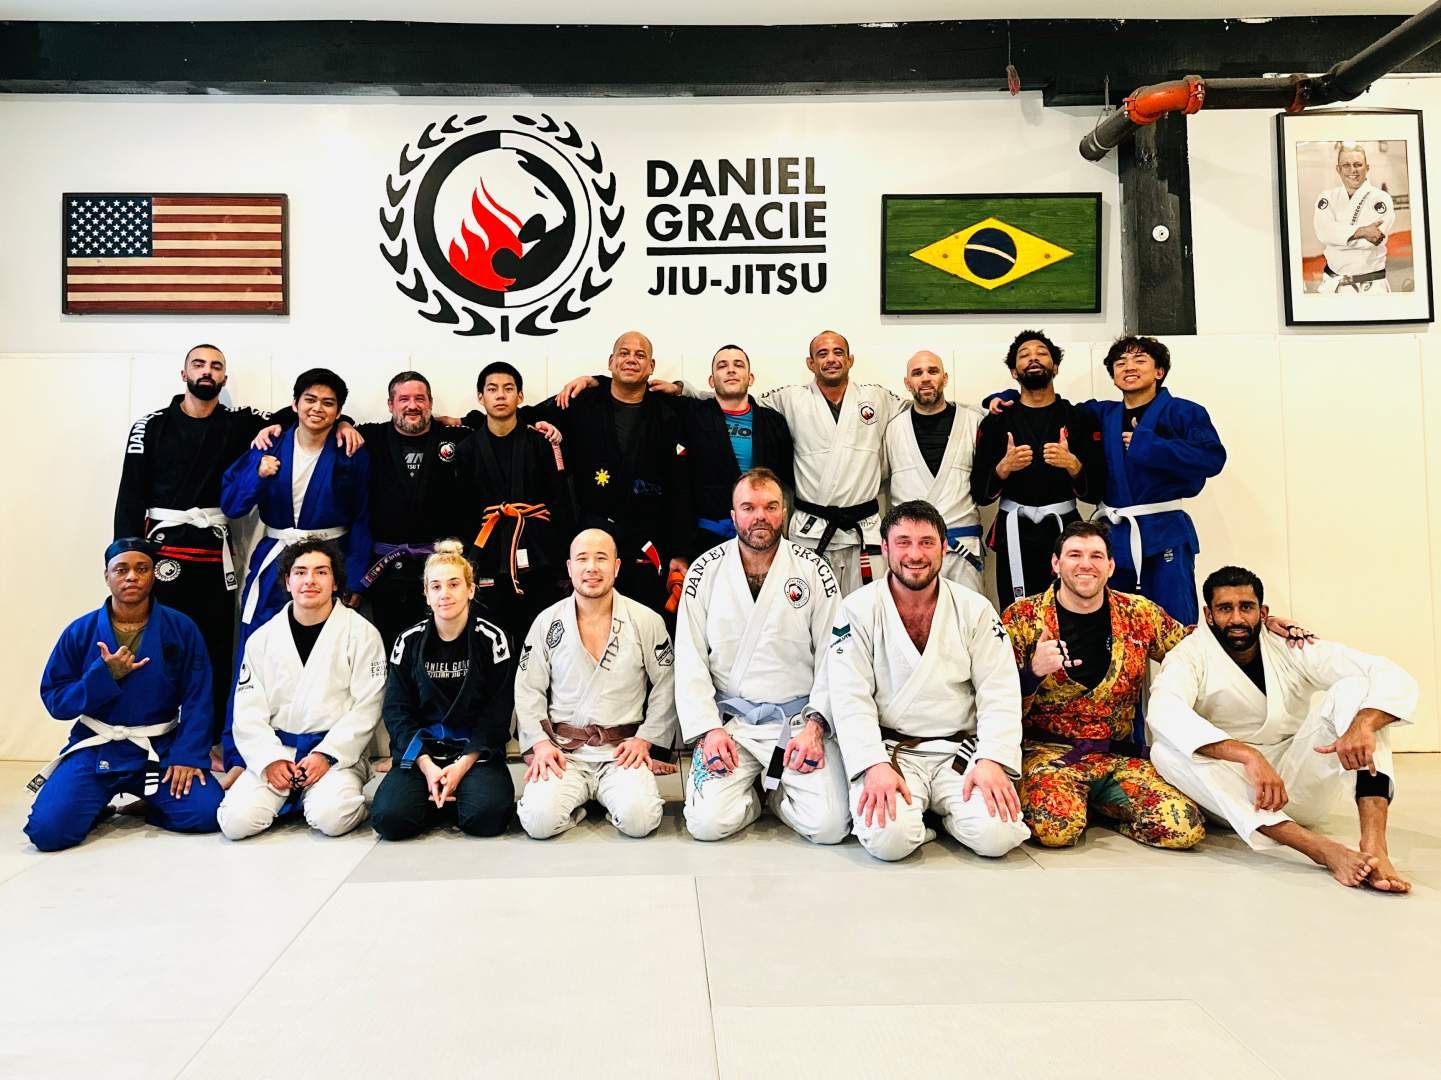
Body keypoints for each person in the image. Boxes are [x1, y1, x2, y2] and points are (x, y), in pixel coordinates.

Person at [114, 343, 360, 722]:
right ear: (184, 374)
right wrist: (126, 556)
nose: (207, 372)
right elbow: (130, 494)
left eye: (215, 367)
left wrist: (345, 423)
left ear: (224, 378)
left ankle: (213, 732)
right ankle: (149, 723)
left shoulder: (240, 423)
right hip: (162, 548)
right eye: (199, 365)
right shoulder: (151, 425)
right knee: (160, 638)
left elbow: (301, 415)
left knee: (216, 645)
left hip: (213, 550)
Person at [1148, 566, 1416, 892]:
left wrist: (1364, 724)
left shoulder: (1291, 645)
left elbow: (1385, 672)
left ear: (1262, 613)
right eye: (1225, 608)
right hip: (1238, 791)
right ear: (1209, 615)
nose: (1236, 618)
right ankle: (1321, 849)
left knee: (1357, 691)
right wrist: (1248, 755)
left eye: (1246, 607)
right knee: (1164, 753)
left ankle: (1375, 845)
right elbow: (1164, 709)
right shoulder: (1190, 655)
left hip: (1299, 779)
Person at [824, 500, 1030, 862]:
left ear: (944, 547)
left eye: (927, 542)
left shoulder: (975, 609)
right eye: (903, 542)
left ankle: (941, 814)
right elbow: (849, 696)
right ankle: (924, 820)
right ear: (885, 547)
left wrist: (992, 759)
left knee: (998, 835)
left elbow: (999, 690)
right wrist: (873, 764)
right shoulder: (857, 610)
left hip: (960, 753)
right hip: (893, 753)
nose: (915, 554)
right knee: (888, 840)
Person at [986, 335, 1225, 626]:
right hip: (1115, 537)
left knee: (1173, 623)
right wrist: (1004, 397)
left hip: (1164, 532)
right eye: (1120, 363)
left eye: (1140, 360)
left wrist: (1149, 444)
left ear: (1159, 371)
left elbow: (1212, 458)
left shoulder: (1184, 412)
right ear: (1113, 375)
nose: (1129, 367)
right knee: (1116, 626)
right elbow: (1043, 401)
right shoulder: (1101, 414)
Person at [676, 468, 849, 845]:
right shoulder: (704, 571)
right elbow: (690, 660)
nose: (760, 517)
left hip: (797, 724)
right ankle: (754, 796)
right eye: (749, 507)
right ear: (733, 514)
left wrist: (816, 727)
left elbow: (835, 656)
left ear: (784, 512)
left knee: (830, 826)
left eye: (770, 507)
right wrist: (708, 730)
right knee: (705, 824)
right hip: (731, 725)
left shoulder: (814, 570)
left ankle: (776, 793)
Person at [24, 539, 221, 851]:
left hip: (159, 748)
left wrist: (187, 755)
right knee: (48, 832)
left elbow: (199, 698)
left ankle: (150, 805)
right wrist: (104, 676)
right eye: (121, 569)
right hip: (96, 747)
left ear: (154, 575)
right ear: (107, 576)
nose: (131, 577)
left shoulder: (181, 628)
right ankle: (95, 807)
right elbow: (56, 700)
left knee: (208, 812)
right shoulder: (80, 631)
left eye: (141, 569)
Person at [220, 368, 372, 771]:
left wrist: (355, 579)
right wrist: (257, 475)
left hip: (331, 560)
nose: (317, 408)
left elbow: (363, 516)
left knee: (328, 652)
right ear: (295, 404)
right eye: (310, 400)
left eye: (328, 403)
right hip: (276, 562)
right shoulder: (268, 444)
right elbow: (232, 504)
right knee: (254, 650)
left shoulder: (350, 450)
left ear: (338, 411)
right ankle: (240, 754)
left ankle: (326, 749)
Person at [217, 538, 385, 840]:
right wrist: (270, 760)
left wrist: (326, 755)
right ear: (287, 581)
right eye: (300, 572)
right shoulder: (262, 638)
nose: (310, 580)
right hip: (279, 750)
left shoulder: (361, 634)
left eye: (321, 572)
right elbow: (247, 710)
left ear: (335, 582)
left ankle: (327, 796)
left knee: (332, 819)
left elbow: (368, 706)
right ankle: (294, 795)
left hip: (334, 754)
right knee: (235, 822)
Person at [514, 528, 677, 839]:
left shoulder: (645, 620)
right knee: (537, 822)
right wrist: (540, 743)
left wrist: (645, 740)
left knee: (640, 821)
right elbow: (527, 687)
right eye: (582, 559)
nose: (591, 567)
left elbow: (666, 684)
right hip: (565, 752)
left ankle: (612, 801)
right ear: (569, 567)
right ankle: (580, 808)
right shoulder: (547, 622)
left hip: (621, 753)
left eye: (601, 558)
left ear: (616, 566)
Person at [532, 332, 691, 617]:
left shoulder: (669, 414)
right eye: (624, 353)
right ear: (610, 361)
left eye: (640, 355)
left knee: (645, 624)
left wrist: (679, 551)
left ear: (652, 366)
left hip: (647, 543)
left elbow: (681, 486)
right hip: (591, 538)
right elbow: (520, 416)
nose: (631, 359)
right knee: (591, 622)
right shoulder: (581, 402)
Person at [370, 540, 517, 841]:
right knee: (389, 820)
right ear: (426, 594)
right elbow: (397, 710)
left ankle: (451, 793)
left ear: (470, 590)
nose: (444, 594)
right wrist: (426, 765)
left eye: (453, 584)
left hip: (474, 753)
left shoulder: (492, 639)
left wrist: (461, 766)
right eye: (435, 587)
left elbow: (498, 712)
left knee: (487, 819)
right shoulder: (408, 642)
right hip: (422, 754)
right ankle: (436, 791)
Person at [973, 330, 1104, 605]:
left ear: (1055, 367)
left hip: (1065, 531)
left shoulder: (1079, 419)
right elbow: (979, 494)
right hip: (1014, 531)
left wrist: (1074, 465)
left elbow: (1097, 491)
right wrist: (1003, 469)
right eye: (1024, 355)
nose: (1033, 358)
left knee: (1070, 608)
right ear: (1014, 372)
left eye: (1042, 353)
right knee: (1016, 612)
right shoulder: (996, 422)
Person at [455, 361, 572, 643]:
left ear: (520, 396)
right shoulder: (467, 449)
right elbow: (463, 510)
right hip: (488, 554)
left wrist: (563, 561)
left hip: (539, 554)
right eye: (492, 389)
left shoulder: (540, 442)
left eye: (508, 389)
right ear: (480, 397)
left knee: (541, 637)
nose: (500, 395)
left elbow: (560, 501)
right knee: (493, 639)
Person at [884, 350, 985, 594]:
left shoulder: (973, 421)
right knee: (910, 614)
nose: (926, 378)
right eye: (917, 373)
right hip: (910, 550)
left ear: (945, 378)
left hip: (961, 546)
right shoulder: (893, 428)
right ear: (907, 383)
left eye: (933, 371)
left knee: (967, 613)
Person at [1313, 143, 1395, 294]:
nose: (1353, 170)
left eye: (1358, 164)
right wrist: (1361, 231)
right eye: (1346, 165)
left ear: (1367, 168)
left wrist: (1338, 237)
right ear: (1338, 169)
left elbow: (1374, 239)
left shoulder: (1381, 198)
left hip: (1370, 287)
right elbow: (1324, 233)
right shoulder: (1327, 197)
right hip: (1333, 285)